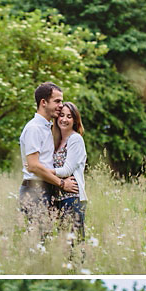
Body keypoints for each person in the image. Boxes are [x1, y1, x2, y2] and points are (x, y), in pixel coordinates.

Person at [19, 82, 79, 238]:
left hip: (46, 189)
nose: (61, 105)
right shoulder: (34, 128)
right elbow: (33, 166)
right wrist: (62, 183)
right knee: (37, 242)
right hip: (35, 191)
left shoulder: (47, 127)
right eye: (57, 101)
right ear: (43, 102)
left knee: (45, 240)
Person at [51, 101, 88, 246]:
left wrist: (44, 171)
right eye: (61, 115)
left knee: (74, 243)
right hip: (58, 198)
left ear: (75, 120)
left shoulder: (75, 139)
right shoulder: (56, 140)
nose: (64, 119)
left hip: (72, 198)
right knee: (63, 243)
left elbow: (67, 170)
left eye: (69, 116)